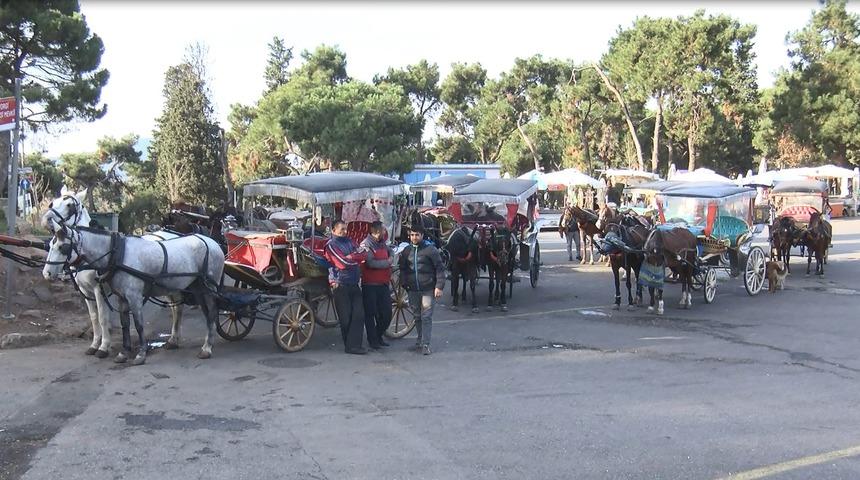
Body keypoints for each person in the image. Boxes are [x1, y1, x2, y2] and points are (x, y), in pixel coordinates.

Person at [398, 224, 445, 355]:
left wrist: (439, 286)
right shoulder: (406, 251)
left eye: (417, 235)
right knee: (417, 316)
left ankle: (426, 344)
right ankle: (419, 339)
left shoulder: (431, 250)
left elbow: (440, 268)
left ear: (422, 236)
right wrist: (404, 283)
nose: (414, 237)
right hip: (412, 289)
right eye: (412, 235)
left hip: (428, 289)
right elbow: (402, 269)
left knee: (426, 317)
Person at [324, 220, 368, 355]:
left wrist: (353, 257)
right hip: (340, 283)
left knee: (359, 314)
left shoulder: (350, 241)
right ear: (333, 231)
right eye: (341, 229)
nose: (344, 232)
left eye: (345, 229)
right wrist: (356, 259)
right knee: (346, 317)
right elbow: (342, 263)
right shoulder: (331, 245)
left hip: (354, 282)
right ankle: (350, 346)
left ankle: (354, 345)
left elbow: (364, 253)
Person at [359, 221, 393, 349]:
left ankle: (378, 335)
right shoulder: (366, 244)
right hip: (370, 285)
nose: (383, 232)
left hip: (383, 283)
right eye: (382, 230)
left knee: (386, 313)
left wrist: (390, 258)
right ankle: (373, 340)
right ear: (375, 231)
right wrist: (388, 262)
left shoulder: (382, 243)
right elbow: (370, 263)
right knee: (370, 313)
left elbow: (391, 252)